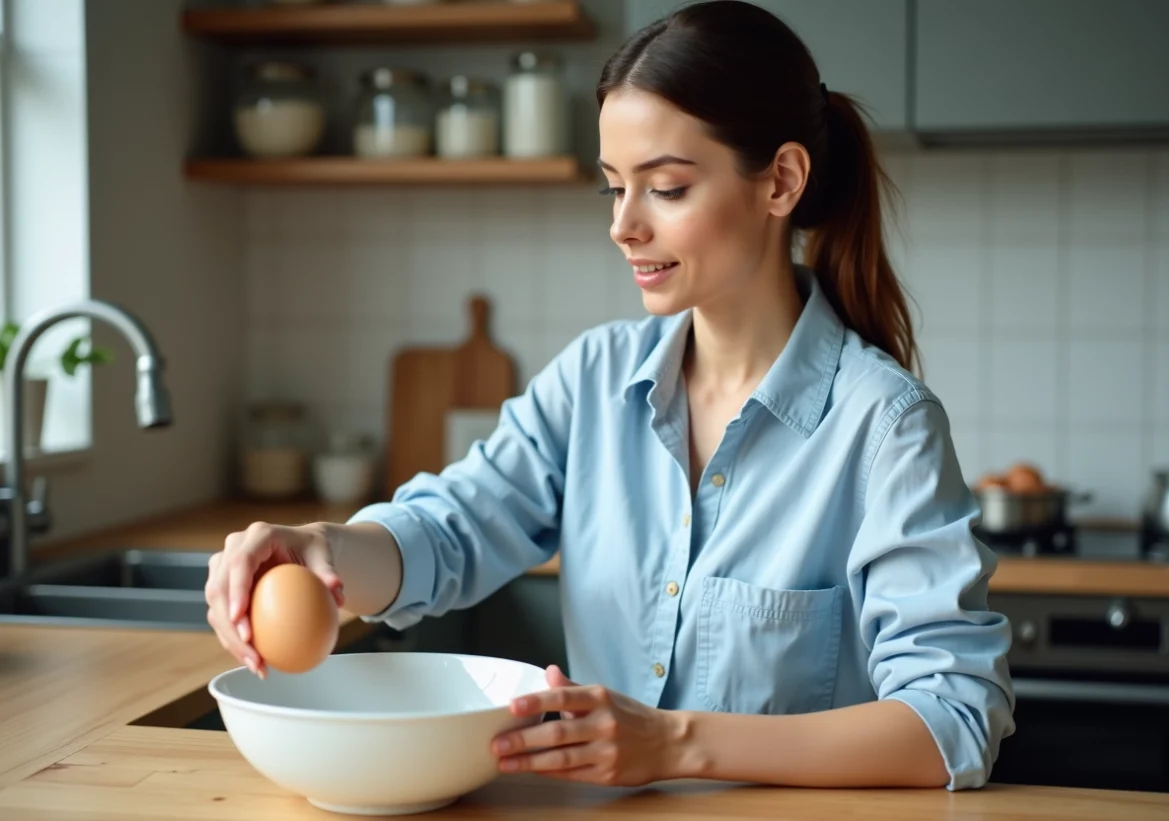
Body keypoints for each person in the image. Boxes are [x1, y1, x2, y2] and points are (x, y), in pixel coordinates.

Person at [205, 0, 1014, 792]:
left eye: (664, 188)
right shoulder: (593, 380)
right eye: (612, 188)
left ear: (782, 182)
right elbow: (451, 532)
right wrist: (325, 548)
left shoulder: (885, 426)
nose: (623, 226)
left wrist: (674, 744)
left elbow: (952, 719)